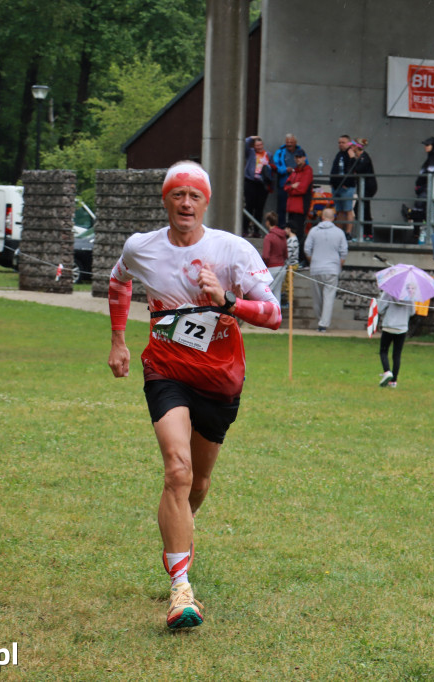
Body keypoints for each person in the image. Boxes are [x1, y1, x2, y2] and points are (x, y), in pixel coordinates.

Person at [106, 161, 281, 630]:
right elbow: (118, 281)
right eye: (177, 194)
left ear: (206, 202)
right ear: (165, 199)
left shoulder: (232, 250)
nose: (185, 203)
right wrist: (119, 339)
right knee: (176, 470)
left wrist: (226, 300)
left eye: (194, 196)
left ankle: (180, 533)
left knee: (197, 485)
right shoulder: (141, 247)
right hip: (165, 371)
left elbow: (273, 314)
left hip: (220, 380)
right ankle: (181, 588)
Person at [304, 207, 347, 332]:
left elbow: (307, 249)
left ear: (322, 217)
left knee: (317, 297)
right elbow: (343, 252)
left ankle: (320, 320)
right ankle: (323, 324)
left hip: (316, 267)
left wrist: (312, 260)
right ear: (333, 218)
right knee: (329, 297)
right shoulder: (339, 232)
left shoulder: (313, 231)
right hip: (332, 268)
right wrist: (339, 264)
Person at [377, 291, 414, 388]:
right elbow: (412, 312)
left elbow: (380, 310)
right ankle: (393, 381)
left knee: (383, 351)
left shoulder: (388, 292)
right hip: (402, 328)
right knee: (397, 355)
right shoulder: (410, 294)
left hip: (389, 326)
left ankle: (387, 371)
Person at [283, 149, 313, 260]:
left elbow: (302, 189)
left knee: (299, 234)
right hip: (292, 207)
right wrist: (292, 187)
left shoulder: (307, 170)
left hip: (300, 207)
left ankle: (301, 259)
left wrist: (291, 188)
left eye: (300, 157)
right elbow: (286, 186)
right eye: (296, 157)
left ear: (304, 158)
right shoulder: (295, 171)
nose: (298, 159)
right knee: (292, 233)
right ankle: (295, 258)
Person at [271, 133, 305, 224]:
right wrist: (285, 170)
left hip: (297, 186)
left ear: (295, 143)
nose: (289, 144)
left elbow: (306, 165)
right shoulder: (280, 152)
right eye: (287, 142)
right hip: (283, 184)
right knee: (281, 208)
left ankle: (292, 229)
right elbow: (275, 166)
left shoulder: (300, 152)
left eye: (291, 142)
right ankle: (281, 228)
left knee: (294, 209)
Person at [243, 136, 273, 236]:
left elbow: (272, 167)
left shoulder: (268, 154)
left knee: (259, 208)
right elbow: (245, 144)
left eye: (260, 145)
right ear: (254, 146)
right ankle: (245, 229)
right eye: (257, 145)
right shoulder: (251, 152)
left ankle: (257, 231)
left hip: (262, 184)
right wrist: (251, 138)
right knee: (249, 206)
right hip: (251, 182)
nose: (259, 147)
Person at [328, 134, 357, 238]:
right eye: (339, 142)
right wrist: (332, 182)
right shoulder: (338, 154)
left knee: (348, 210)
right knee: (339, 210)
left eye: (343, 142)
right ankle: (338, 232)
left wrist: (346, 184)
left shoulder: (350, 154)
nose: (340, 145)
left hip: (346, 187)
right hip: (336, 186)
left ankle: (348, 232)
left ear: (348, 143)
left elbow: (354, 169)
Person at [350, 138, 377, 240]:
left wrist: (353, 159)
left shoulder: (364, 157)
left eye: (353, 146)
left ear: (357, 147)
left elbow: (358, 169)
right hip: (362, 187)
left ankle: (367, 233)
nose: (351, 148)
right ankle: (366, 233)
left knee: (362, 208)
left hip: (368, 187)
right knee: (362, 209)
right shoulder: (359, 158)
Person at [261, 211, 288, 303]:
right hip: (281, 267)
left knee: (267, 293)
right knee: (277, 293)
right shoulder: (283, 236)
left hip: (271, 267)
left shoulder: (268, 237)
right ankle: (277, 314)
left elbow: (265, 256)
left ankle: (269, 315)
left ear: (268, 222)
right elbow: (286, 254)